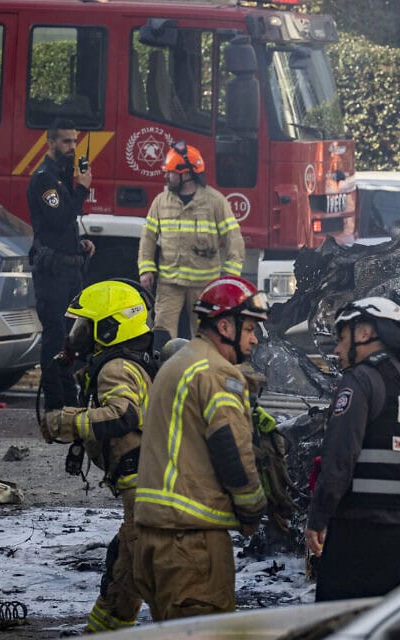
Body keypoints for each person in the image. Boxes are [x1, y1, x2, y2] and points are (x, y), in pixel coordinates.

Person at [132, 275, 268, 621]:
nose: (254, 339)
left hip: (153, 539)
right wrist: (253, 510)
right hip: (191, 543)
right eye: (250, 328)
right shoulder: (217, 373)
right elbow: (231, 450)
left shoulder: (178, 363)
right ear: (225, 325)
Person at [39, 279, 156, 633]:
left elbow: (124, 414)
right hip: (140, 487)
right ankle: (104, 631)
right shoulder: (127, 362)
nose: (76, 334)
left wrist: (68, 422)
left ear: (110, 326)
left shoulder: (115, 369)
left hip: (142, 488)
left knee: (150, 572)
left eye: (84, 325)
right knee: (123, 570)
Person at [305, 297, 400, 601]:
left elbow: (339, 458)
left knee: (341, 625)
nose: (337, 350)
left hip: (361, 537)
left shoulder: (359, 380)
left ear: (364, 332)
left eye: (341, 338)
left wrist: (317, 518)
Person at [137, 140, 244, 349]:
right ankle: (165, 375)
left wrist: (229, 278)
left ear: (186, 174)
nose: (166, 177)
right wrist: (146, 269)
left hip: (204, 286)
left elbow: (234, 239)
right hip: (170, 284)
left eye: (171, 173)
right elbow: (148, 237)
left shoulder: (215, 202)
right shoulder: (161, 201)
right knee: (162, 336)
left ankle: (202, 377)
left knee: (206, 338)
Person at [27, 119, 96, 412]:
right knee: (55, 339)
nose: (72, 147)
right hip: (52, 274)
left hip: (70, 271)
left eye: (74, 141)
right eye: (66, 142)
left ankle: (70, 403)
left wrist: (80, 245)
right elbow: (57, 218)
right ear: (51, 142)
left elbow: (63, 227)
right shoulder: (44, 178)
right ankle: (55, 407)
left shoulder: (61, 177)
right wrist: (82, 189)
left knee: (71, 340)